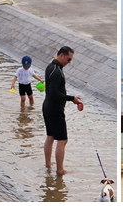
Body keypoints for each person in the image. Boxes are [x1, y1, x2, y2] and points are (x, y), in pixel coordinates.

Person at [43, 46, 83, 176]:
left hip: (47, 106)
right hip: (54, 108)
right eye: (68, 59)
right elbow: (54, 93)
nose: (69, 62)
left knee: (50, 136)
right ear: (61, 55)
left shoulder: (51, 66)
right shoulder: (56, 71)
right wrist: (72, 98)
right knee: (63, 140)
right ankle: (60, 170)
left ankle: (48, 165)